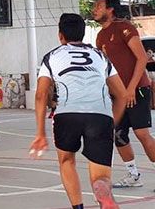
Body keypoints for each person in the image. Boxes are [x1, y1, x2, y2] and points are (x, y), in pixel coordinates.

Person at [30, 13, 127, 209]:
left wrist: (40, 133)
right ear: (83, 34)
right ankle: (102, 190)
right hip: (100, 115)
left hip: (67, 114)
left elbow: (41, 95)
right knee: (100, 176)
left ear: (60, 35)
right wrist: (111, 121)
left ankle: (78, 207)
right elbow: (122, 95)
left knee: (66, 161)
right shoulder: (101, 56)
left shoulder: (52, 56)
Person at [93, 0, 155, 188]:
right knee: (118, 135)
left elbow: (142, 58)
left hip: (138, 90)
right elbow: (106, 69)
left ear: (110, 9)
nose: (94, 9)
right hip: (118, 95)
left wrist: (130, 90)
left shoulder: (124, 28)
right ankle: (133, 175)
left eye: (99, 6)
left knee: (142, 134)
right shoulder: (100, 36)